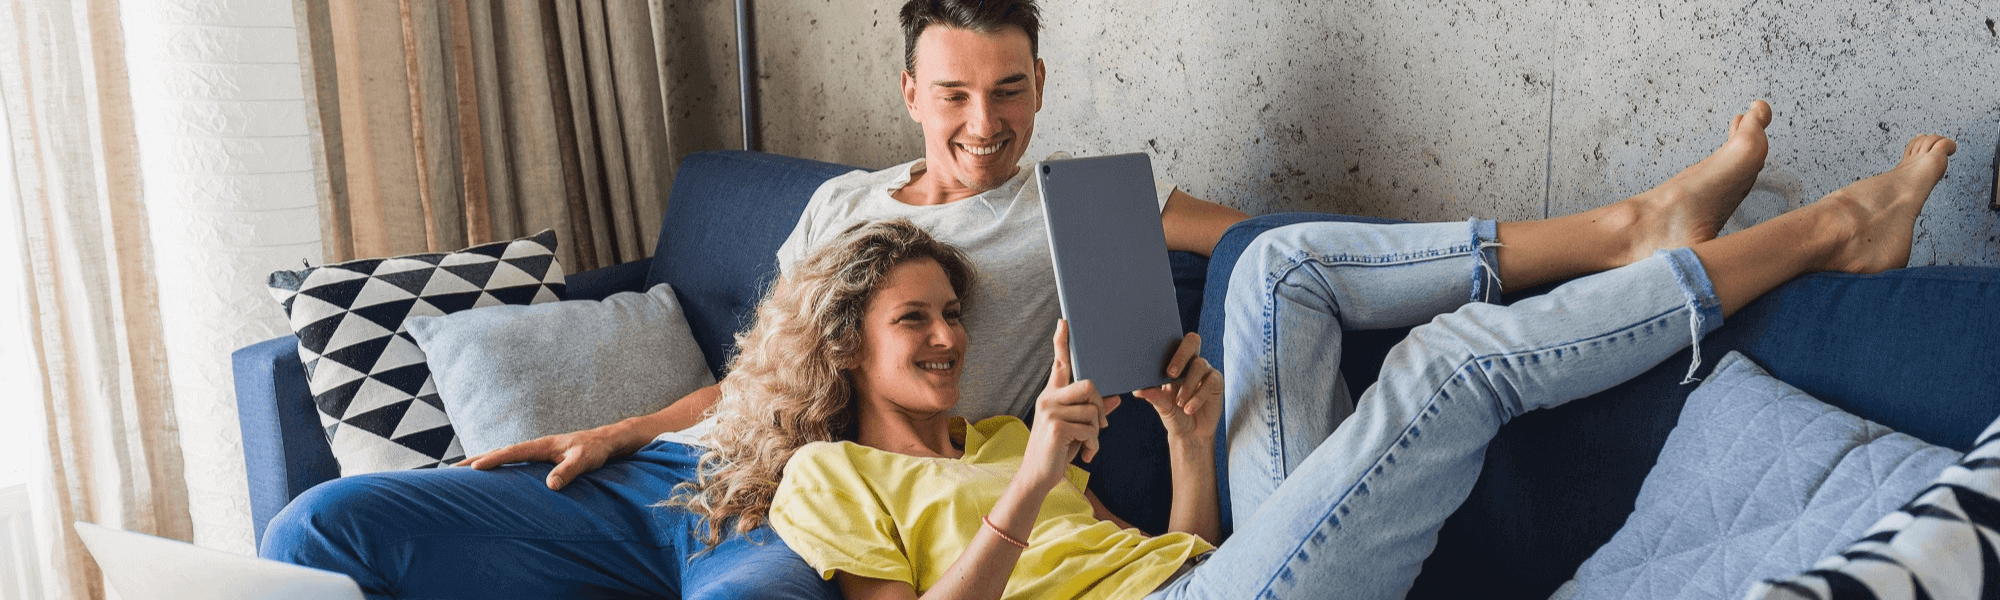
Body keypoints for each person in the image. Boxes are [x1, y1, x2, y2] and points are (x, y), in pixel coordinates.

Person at [259, 0, 1797, 596]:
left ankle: (1624, 229)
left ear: (1040, 89)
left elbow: (1281, 240)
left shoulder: (1081, 208)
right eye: (954, 96)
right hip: (706, 466)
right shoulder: (837, 207)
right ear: (909, 86)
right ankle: (1638, 237)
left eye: (1009, 95)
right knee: (329, 527)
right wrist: (618, 427)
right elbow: (772, 373)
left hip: (846, 523)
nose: (981, 126)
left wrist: (1173, 414)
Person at [730, 133, 1958, 600]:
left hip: (1216, 585)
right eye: (916, 324)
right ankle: (1821, 233)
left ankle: (1637, 232)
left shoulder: (995, 437)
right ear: (846, 344)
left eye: (951, 313)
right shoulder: (829, 482)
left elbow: (1186, 558)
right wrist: (1031, 475)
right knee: (1447, 369)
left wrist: (1191, 447)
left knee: (1272, 271)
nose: (948, 340)